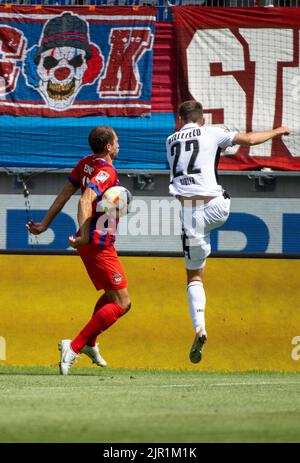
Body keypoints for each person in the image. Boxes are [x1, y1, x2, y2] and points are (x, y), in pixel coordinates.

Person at [166, 100, 291, 364]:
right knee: (219, 198)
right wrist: (277, 132)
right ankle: (200, 330)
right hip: (217, 207)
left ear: (179, 120)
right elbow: (249, 140)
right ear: (201, 119)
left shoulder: (171, 141)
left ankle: (199, 326)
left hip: (190, 214)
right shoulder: (212, 131)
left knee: (194, 276)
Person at [27, 126, 131, 373]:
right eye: (116, 142)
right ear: (108, 146)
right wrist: (84, 235)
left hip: (93, 242)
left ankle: (90, 343)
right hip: (96, 243)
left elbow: (64, 195)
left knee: (111, 295)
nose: (119, 145)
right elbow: (85, 199)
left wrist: (44, 224)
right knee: (123, 303)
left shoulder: (85, 163)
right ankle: (73, 346)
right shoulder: (106, 171)